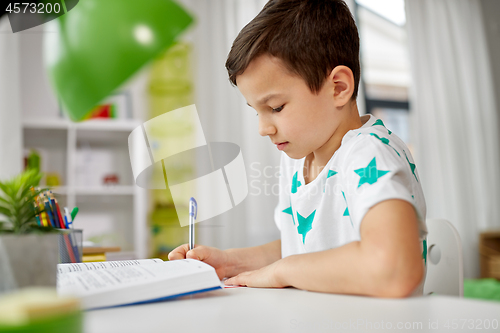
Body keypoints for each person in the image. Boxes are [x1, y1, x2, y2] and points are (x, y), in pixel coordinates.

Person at [169, 0, 427, 298]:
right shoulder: (297, 158)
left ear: (338, 88)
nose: (263, 128)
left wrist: (282, 271)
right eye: (256, 111)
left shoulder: (368, 154)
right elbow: (301, 246)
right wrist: (228, 263)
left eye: (276, 107)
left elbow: (394, 268)